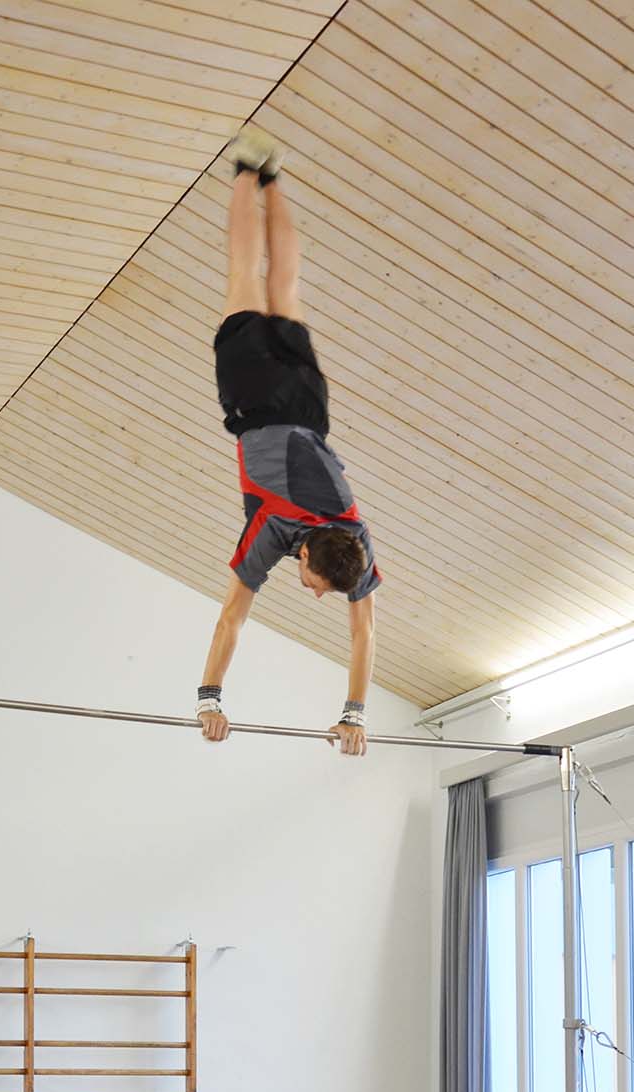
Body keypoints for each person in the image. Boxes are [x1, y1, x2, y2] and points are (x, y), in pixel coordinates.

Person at [197, 129, 380, 758]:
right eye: (316, 583)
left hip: (310, 406)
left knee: (288, 288)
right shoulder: (273, 530)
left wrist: (355, 715)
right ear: (304, 555)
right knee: (244, 278)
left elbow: (363, 633)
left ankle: (272, 180)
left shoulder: (355, 535)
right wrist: (209, 698)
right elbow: (231, 618)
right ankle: (248, 171)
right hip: (255, 398)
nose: (316, 592)